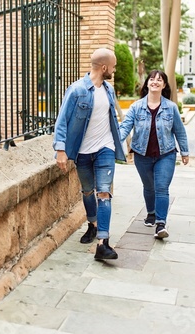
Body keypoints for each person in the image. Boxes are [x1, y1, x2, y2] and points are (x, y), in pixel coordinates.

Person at [53, 48, 126, 260]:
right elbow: (62, 120)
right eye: (113, 66)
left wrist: (119, 142)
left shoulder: (109, 90)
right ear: (104, 68)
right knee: (87, 191)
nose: (114, 69)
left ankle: (103, 242)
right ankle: (92, 225)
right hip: (83, 152)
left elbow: (112, 119)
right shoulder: (77, 90)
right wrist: (60, 150)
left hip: (105, 148)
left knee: (104, 192)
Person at [119, 69, 189, 239]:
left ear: (164, 85)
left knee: (161, 188)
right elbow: (125, 127)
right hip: (142, 155)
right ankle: (151, 212)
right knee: (149, 187)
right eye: (152, 79)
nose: (155, 82)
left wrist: (185, 151)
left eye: (159, 80)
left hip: (166, 154)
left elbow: (179, 131)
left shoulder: (171, 108)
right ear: (147, 83)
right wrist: (114, 143)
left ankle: (160, 224)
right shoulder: (136, 107)